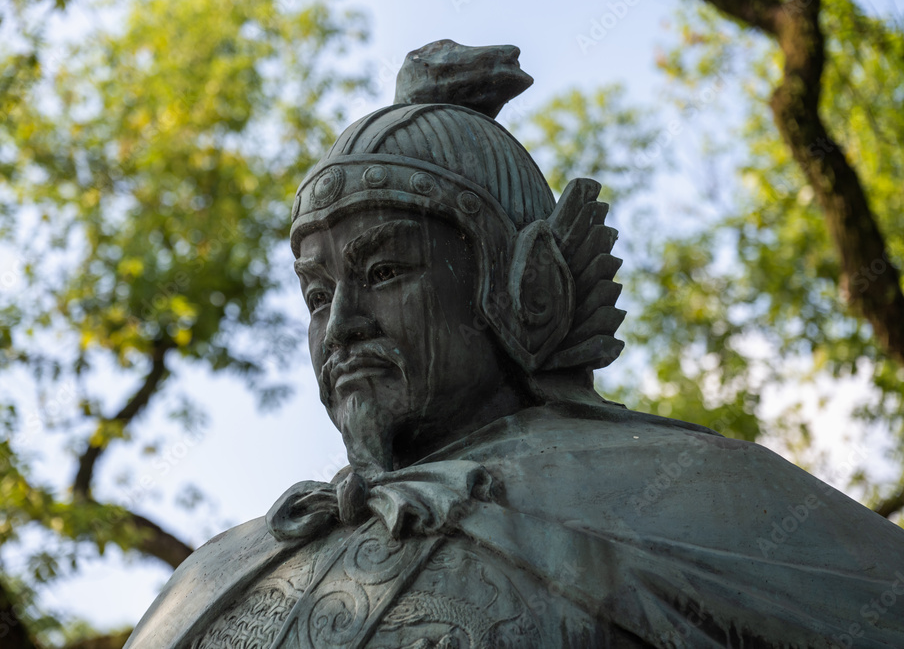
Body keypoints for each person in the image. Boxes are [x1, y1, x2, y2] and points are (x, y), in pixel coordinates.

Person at [125, 40, 904, 649]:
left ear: (526, 286)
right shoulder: (216, 573)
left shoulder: (696, 496)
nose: (342, 323)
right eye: (318, 293)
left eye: (387, 269)